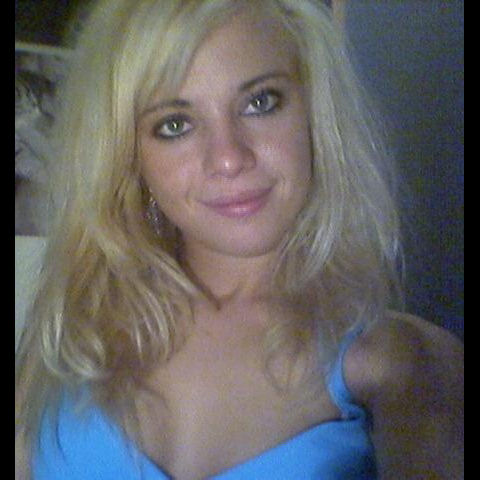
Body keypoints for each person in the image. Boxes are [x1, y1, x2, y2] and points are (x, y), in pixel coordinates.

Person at [15, 0, 464, 479]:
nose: (229, 158)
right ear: (129, 154)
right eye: (175, 124)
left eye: (260, 102)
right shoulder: (71, 325)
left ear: (316, 112)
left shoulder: (398, 364)